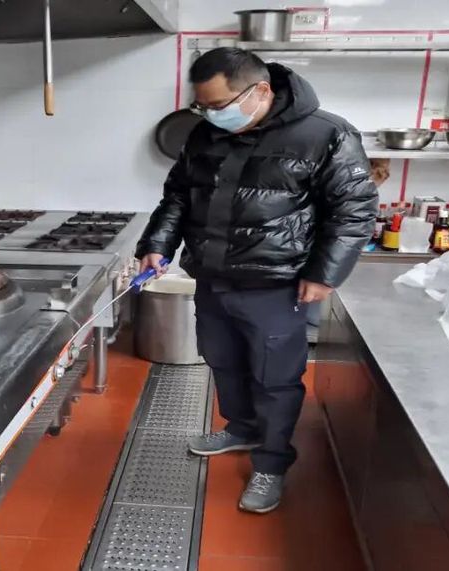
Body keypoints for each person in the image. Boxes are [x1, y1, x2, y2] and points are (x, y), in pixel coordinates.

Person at [135, 48, 378, 513]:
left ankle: (271, 461)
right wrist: (158, 244)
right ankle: (242, 429)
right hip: (212, 277)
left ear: (260, 91)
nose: (210, 115)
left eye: (218, 105)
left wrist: (324, 274)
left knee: (274, 378)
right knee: (223, 361)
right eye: (202, 106)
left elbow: (353, 211)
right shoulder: (205, 134)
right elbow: (178, 196)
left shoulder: (326, 134)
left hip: (277, 285)